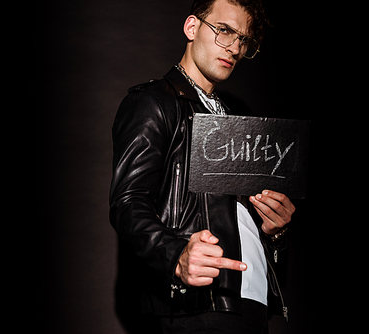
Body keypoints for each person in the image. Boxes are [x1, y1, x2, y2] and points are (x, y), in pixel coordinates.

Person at [110, 0, 296, 333]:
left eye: (243, 40)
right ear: (192, 28)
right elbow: (128, 203)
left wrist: (274, 231)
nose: (235, 48)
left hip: (252, 303)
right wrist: (176, 255)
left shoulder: (236, 119)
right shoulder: (153, 102)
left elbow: (235, 219)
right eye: (224, 31)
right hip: (197, 304)